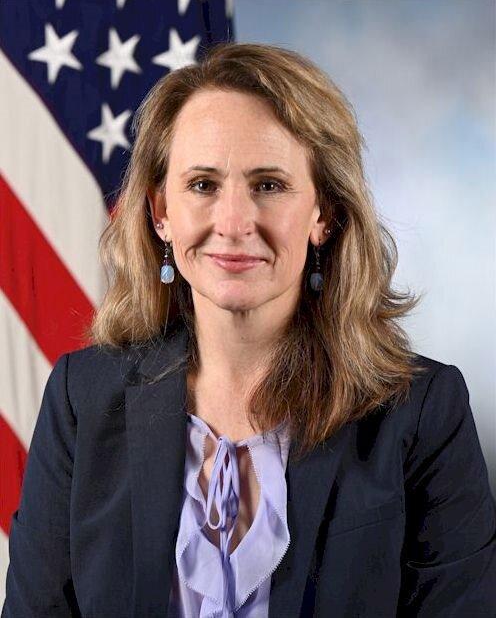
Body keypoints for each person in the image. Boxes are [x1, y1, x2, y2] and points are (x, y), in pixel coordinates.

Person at [2, 41, 495, 618]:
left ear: (324, 214)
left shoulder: (422, 412)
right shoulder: (81, 399)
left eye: (268, 185)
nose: (233, 223)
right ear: (161, 212)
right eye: (203, 185)